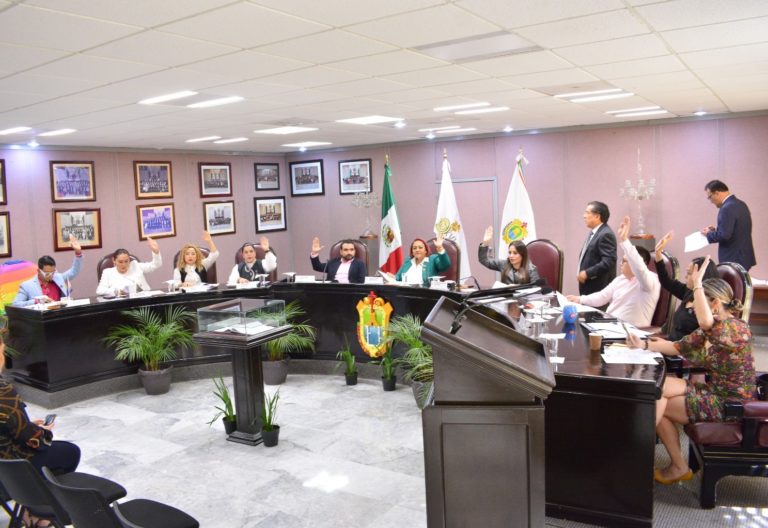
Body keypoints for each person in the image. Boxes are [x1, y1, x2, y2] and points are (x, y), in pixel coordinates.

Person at [627, 259, 755, 485]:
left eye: (696, 303)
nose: (692, 308)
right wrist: (643, 344)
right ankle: (666, 461)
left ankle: (636, 455)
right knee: (657, 389)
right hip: (713, 390)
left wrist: (697, 285)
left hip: (729, 403)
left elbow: (705, 322)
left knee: (658, 402)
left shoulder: (736, 329)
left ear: (715, 304)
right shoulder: (711, 328)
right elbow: (677, 347)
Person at [0, 334, 81, 473]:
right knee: (70, 452)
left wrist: (26, 424)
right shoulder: (3, 391)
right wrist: (44, 432)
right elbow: (31, 440)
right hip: (9, 464)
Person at [567, 216, 660, 327]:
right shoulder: (621, 279)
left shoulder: (650, 281)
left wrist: (625, 240)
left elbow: (639, 267)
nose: (620, 263)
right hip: (610, 325)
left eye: (625, 261)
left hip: (631, 332)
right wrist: (579, 299)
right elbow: (602, 297)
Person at [654, 231, 719, 340]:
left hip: (684, 349)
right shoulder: (689, 292)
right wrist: (658, 253)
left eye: (689, 273)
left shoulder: (709, 303)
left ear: (701, 276)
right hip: (670, 344)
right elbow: (666, 281)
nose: (685, 277)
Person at [13, 234, 83, 307]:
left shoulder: (58, 278)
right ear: (38, 271)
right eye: (47, 273)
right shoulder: (27, 286)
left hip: (59, 312)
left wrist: (78, 252)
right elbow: (16, 304)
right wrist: (37, 301)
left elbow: (74, 271)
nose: (50, 276)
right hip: (41, 313)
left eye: (52, 273)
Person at [700, 180, 756, 271]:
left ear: (717, 193)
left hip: (733, 258)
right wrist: (716, 230)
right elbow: (737, 229)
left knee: (733, 281)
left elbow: (724, 235)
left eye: (710, 197)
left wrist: (708, 234)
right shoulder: (741, 204)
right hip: (744, 256)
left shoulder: (727, 208)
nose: (711, 201)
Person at [96, 237, 161, 296]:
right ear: (114, 261)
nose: (124, 264)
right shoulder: (108, 272)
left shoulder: (136, 265)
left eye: (126, 261)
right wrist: (117, 291)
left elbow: (155, 265)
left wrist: (156, 253)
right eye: (120, 262)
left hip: (143, 300)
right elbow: (99, 290)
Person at [577, 201, 617, 296]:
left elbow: (608, 261)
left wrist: (587, 273)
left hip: (598, 288)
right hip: (589, 286)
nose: (584, 216)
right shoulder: (596, 232)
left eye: (587, 212)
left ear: (597, 216)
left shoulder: (605, 234)